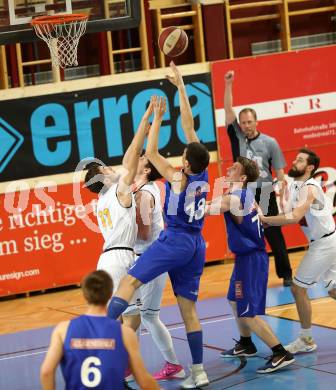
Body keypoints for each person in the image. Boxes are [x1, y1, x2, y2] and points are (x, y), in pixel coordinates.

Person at [107, 62, 211, 389]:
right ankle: (198, 372)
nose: (181, 153)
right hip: (197, 246)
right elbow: (191, 128)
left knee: (129, 283)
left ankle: (96, 333)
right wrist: (181, 86)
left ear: (186, 162)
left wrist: (157, 118)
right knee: (188, 311)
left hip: (175, 240)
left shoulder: (178, 177)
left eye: (182, 154)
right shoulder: (204, 172)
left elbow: (150, 151)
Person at [206, 156, 295, 373]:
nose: (228, 168)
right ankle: (246, 344)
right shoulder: (248, 197)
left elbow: (203, 210)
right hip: (247, 257)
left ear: (243, 177)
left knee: (248, 312)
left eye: (234, 168)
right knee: (234, 301)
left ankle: (280, 352)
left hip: (251, 260)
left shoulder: (234, 198)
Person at [84, 100, 154, 332]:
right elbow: (132, 158)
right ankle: (118, 359)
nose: (111, 169)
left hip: (106, 259)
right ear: (102, 179)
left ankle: (114, 357)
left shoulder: (101, 200)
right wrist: (143, 128)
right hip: (120, 258)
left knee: (120, 316)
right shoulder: (117, 190)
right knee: (131, 317)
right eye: (105, 169)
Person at [259, 148, 336, 354]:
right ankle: (306, 339)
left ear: (310, 167)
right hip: (326, 241)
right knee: (333, 290)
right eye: (295, 158)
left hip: (324, 244)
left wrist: (266, 219)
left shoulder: (309, 188)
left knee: (297, 288)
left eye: (300, 160)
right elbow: (287, 214)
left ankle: (306, 339)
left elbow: (293, 217)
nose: (294, 161)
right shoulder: (296, 186)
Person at [224, 70, 293, 287]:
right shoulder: (236, 136)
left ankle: (287, 275)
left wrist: (281, 195)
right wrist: (228, 85)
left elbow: (280, 174)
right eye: (243, 122)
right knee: (246, 236)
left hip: (264, 192)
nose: (245, 125)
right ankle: (250, 276)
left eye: (249, 121)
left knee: (274, 234)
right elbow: (227, 110)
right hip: (243, 194)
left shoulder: (270, 142)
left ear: (256, 121)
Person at [40, 270, 159, 390]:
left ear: (85, 295)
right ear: (110, 294)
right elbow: (144, 381)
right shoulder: (125, 333)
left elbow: (46, 372)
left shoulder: (63, 330)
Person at [133, 156, 185, 380]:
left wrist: (116, 234)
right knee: (133, 316)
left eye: (140, 159)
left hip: (150, 258)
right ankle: (129, 366)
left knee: (148, 316)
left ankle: (174, 365)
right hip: (141, 259)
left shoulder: (145, 194)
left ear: (145, 170)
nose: (134, 159)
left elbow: (143, 233)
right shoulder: (146, 187)